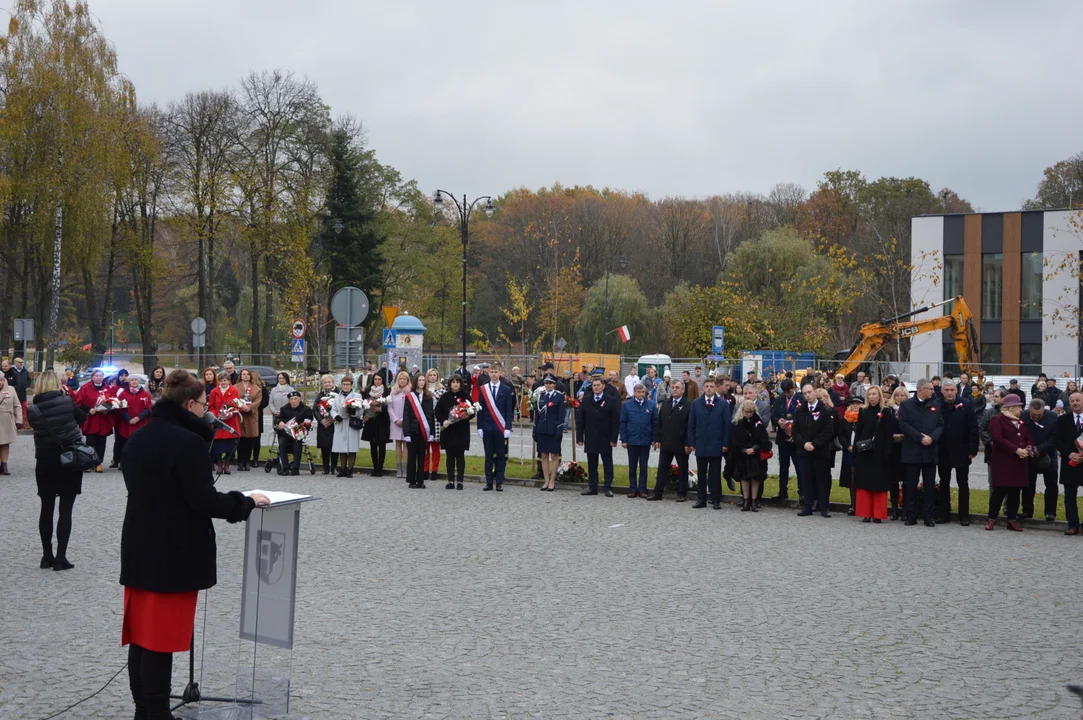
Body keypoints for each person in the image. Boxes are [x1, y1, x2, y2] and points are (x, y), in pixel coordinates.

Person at [118, 368, 269, 720]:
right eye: (203, 405)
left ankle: (144, 709)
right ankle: (157, 713)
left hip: (140, 547)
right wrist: (244, 503)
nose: (207, 411)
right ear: (189, 405)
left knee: (142, 639)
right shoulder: (188, 443)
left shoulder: (139, 438)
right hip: (174, 554)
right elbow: (202, 500)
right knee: (159, 641)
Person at [27, 371, 86, 571]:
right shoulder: (66, 401)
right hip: (68, 458)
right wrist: (65, 395)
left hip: (44, 460)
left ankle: (46, 556)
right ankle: (61, 557)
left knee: (46, 507)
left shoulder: (32, 408)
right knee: (66, 508)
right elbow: (82, 418)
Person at [897, 378, 944, 527]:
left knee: (929, 485)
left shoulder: (935, 405)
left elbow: (941, 425)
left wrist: (932, 437)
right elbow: (903, 424)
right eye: (930, 388)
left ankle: (928, 516)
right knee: (911, 484)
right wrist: (920, 437)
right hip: (913, 451)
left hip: (930, 451)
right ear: (921, 390)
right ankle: (911, 515)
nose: (933, 391)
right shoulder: (906, 405)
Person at [985, 394, 1031, 531]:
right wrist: (1016, 449)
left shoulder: (1021, 422)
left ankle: (1012, 519)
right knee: (999, 492)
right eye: (1019, 407)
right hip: (1004, 461)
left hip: (1019, 462)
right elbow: (997, 438)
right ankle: (991, 518)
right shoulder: (997, 420)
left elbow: (1028, 437)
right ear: (1010, 408)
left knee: (1015, 492)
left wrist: (1027, 448)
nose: (1021, 410)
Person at [936, 379, 978, 525]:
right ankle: (944, 514)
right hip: (942, 450)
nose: (949, 393)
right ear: (942, 391)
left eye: (951, 390)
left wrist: (973, 450)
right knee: (944, 483)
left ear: (956, 390)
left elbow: (973, 428)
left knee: (963, 483)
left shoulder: (966, 404)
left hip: (962, 450)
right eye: (946, 390)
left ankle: (964, 515)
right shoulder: (936, 405)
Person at [686, 377, 731, 510]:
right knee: (701, 473)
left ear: (715, 388)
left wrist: (725, 443)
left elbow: (727, 426)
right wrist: (692, 442)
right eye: (707, 386)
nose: (709, 389)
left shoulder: (722, 404)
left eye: (711, 386)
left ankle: (716, 499)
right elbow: (691, 425)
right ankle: (701, 499)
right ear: (703, 388)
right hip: (701, 443)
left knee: (715, 474)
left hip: (716, 444)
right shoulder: (696, 404)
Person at [793, 382, 835, 518]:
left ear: (815, 391)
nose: (807, 395)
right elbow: (795, 431)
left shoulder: (825, 410)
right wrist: (804, 443)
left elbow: (828, 431)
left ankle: (824, 507)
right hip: (804, 451)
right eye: (805, 393)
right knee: (806, 479)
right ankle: (807, 506)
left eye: (809, 392)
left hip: (820, 451)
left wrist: (815, 444)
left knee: (822, 480)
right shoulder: (800, 410)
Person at [852, 386, 892, 523]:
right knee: (864, 483)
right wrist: (856, 448)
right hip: (865, 451)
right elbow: (858, 430)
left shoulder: (886, 411)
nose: (872, 397)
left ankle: (878, 514)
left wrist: (887, 452)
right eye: (870, 394)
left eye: (875, 394)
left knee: (878, 483)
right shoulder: (863, 411)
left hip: (879, 452)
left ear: (880, 396)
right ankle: (866, 513)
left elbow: (888, 434)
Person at [577, 375, 621, 497]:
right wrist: (579, 437)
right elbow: (580, 420)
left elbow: (615, 421)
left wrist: (614, 439)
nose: (596, 387)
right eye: (594, 385)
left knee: (607, 463)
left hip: (605, 437)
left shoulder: (611, 400)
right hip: (591, 436)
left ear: (603, 386)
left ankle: (607, 487)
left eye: (598, 385)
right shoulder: (586, 400)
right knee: (592, 464)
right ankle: (593, 487)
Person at [649, 379, 691, 501]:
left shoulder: (688, 405)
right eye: (672, 387)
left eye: (677, 387)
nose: (674, 389)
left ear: (682, 390)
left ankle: (681, 493)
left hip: (681, 443)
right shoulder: (666, 403)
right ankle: (658, 492)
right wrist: (657, 439)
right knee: (662, 468)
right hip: (666, 441)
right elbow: (659, 423)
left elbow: (690, 426)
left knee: (683, 469)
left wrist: (688, 443)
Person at [478, 363, 515, 492]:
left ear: (500, 373)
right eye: (491, 372)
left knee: (500, 456)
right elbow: (480, 409)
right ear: (488, 373)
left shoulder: (506, 389)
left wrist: (508, 427)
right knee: (488, 456)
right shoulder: (483, 389)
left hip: (500, 427)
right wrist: (479, 427)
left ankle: (499, 482)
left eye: (496, 372)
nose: (493, 374)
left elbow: (508, 410)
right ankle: (488, 482)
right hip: (487, 427)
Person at [1021, 398, 1058, 521]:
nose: (1036, 417)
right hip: (1029, 453)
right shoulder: (1023, 415)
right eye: (1033, 415)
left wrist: (1040, 449)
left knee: (1051, 484)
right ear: (1029, 410)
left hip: (1048, 453)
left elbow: (1055, 437)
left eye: (1039, 415)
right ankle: (1027, 510)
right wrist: (1029, 448)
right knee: (1028, 483)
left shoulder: (1053, 417)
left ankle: (1050, 512)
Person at [730, 399, 771, 512]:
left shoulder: (759, 423)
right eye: (746, 412)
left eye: (751, 412)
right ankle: (746, 500)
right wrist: (744, 450)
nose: (748, 414)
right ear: (742, 411)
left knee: (755, 478)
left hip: (755, 455)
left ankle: (754, 500)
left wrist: (755, 448)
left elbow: (764, 440)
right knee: (744, 478)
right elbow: (734, 441)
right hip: (742, 455)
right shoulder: (737, 424)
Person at [620, 383, 657, 498]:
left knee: (644, 466)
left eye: (643, 392)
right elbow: (623, 423)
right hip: (632, 440)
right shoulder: (627, 405)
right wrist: (624, 439)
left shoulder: (651, 405)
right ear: (634, 393)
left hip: (645, 440)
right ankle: (632, 488)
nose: (641, 394)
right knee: (632, 466)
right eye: (639, 392)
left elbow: (655, 423)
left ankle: (642, 489)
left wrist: (654, 439)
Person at [74, 368, 115, 473]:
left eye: (101, 375)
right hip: (91, 419)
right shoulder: (85, 388)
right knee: (90, 442)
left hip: (102, 419)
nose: (98, 377)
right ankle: (88, 462)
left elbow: (113, 402)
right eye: (96, 375)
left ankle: (98, 463)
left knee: (101, 442)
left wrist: (107, 409)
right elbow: (79, 403)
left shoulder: (108, 388)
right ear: (92, 377)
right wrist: (89, 409)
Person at [436, 373, 472, 490]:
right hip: (448, 430)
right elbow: (437, 411)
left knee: (460, 456)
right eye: (453, 382)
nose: (455, 385)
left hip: (461, 430)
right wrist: (444, 420)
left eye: (457, 382)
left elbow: (473, 410)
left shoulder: (466, 396)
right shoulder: (445, 396)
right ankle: (450, 480)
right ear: (450, 384)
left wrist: (467, 415)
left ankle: (460, 480)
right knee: (449, 456)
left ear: (461, 384)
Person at [530, 374, 565, 491]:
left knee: (554, 456)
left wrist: (559, 431)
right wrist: (535, 429)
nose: (548, 385)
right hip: (542, 429)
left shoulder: (559, 397)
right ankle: (545, 481)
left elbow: (561, 416)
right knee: (544, 455)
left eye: (550, 383)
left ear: (554, 385)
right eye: (546, 383)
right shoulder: (541, 396)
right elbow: (537, 416)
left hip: (553, 430)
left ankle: (552, 481)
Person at [1056, 391, 1083, 535]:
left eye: (1078, 400)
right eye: (1072, 401)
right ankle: (1072, 525)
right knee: (1069, 497)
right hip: (1070, 462)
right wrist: (1069, 453)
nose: (1075, 403)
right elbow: (1058, 440)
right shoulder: (1062, 420)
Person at [402, 372, 435, 489]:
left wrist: (431, 432)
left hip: (423, 432)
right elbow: (406, 416)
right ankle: (411, 480)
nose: (421, 382)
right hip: (412, 431)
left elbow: (431, 416)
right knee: (412, 457)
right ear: (416, 382)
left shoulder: (428, 396)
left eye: (423, 380)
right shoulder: (410, 396)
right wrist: (406, 433)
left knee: (422, 456)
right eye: (420, 380)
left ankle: (421, 480)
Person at [771, 378, 802, 501]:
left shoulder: (801, 399)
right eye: (784, 392)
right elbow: (773, 415)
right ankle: (782, 491)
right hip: (783, 438)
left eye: (788, 392)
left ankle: (802, 492)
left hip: (796, 439)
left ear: (793, 389)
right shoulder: (779, 400)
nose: (786, 395)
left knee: (799, 466)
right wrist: (778, 421)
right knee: (783, 466)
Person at [114, 375, 153, 470]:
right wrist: (128, 419)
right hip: (127, 424)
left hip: (141, 423)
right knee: (126, 445)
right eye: (132, 380)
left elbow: (148, 408)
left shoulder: (145, 394)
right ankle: (124, 463)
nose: (134, 382)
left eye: (136, 380)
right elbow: (121, 409)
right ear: (129, 382)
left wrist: (138, 418)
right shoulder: (123, 394)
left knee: (139, 445)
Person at [207, 370, 241, 475]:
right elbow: (211, 405)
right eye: (221, 381)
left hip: (230, 421)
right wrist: (215, 414)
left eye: (225, 381)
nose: (223, 383)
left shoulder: (234, 391)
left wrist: (230, 413)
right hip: (218, 421)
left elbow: (237, 404)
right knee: (217, 445)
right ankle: (219, 464)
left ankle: (227, 464)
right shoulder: (214, 392)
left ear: (229, 381)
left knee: (230, 444)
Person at [331, 376, 362, 478]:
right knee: (341, 447)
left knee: (352, 447)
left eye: (347, 384)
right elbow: (333, 409)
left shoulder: (357, 396)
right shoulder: (337, 396)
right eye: (344, 384)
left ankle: (350, 469)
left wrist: (354, 411)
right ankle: (343, 469)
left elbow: (361, 410)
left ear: (351, 385)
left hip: (351, 422)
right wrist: (336, 416)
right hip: (340, 422)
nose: (345, 386)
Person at [837, 396, 863, 515]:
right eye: (853, 403)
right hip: (848, 451)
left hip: (861, 451)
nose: (856, 405)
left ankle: (861, 505)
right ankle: (853, 505)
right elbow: (841, 435)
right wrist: (848, 446)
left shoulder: (864, 417)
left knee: (860, 477)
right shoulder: (845, 419)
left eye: (858, 403)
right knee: (851, 479)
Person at [275, 391, 312, 476]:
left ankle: (295, 468)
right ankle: (285, 468)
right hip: (286, 434)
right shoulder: (284, 409)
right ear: (289, 401)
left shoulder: (306, 409)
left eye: (295, 399)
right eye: (291, 399)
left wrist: (301, 429)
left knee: (297, 444)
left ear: (300, 399)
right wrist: (280, 421)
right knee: (282, 443)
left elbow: (308, 422)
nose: (293, 401)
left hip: (298, 434)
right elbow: (277, 419)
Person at [233, 369, 263, 472]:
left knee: (249, 440)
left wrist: (249, 408)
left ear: (250, 376)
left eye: (247, 374)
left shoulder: (256, 388)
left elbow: (258, 400)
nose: (245, 376)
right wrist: (241, 407)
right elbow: (233, 400)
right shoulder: (235, 387)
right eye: (243, 374)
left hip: (251, 416)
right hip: (240, 416)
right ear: (240, 376)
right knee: (240, 440)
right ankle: (240, 461)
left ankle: (247, 461)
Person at [362, 373, 391, 476]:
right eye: (375, 379)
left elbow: (390, 408)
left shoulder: (387, 392)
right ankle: (375, 467)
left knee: (382, 445)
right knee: (372, 445)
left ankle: (381, 468)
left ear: (382, 380)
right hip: (371, 421)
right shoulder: (367, 391)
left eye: (379, 379)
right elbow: (363, 404)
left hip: (382, 421)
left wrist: (381, 409)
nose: (377, 381)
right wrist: (365, 414)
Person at [313, 374, 339, 475]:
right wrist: (321, 420)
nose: (327, 384)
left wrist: (332, 419)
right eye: (325, 382)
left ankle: (334, 467)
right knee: (324, 446)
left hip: (334, 424)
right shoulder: (320, 395)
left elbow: (341, 407)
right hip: (323, 424)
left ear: (333, 382)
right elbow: (315, 409)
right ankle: (325, 468)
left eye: (329, 382)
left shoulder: (338, 393)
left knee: (334, 446)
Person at [388, 371, 412, 480]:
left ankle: (406, 468)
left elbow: (411, 408)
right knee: (398, 443)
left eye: (404, 379)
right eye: (400, 379)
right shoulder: (393, 391)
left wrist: (404, 419)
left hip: (406, 421)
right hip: (396, 422)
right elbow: (390, 407)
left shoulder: (410, 392)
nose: (402, 381)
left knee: (406, 444)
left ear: (407, 380)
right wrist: (395, 419)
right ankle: (398, 467)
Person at [424, 368, 445, 484]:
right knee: (425, 448)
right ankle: (425, 470)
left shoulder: (442, 390)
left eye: (434, 375)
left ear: (437, 377)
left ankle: (435, 470)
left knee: (436, 448)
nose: (432, 377)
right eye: (430, 375)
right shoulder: (423, 389)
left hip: (437, 421)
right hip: (426, 420)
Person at [10, 356, 30, 427]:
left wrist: (26, 385)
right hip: (14, 393)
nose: (21, 364)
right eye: (20, 363)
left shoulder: (25, 371)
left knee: (24, 407)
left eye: (22, 362)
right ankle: (14, 423)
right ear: (15, 363)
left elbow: (28, 380)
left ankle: (24, 423)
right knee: (14, 408)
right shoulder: (11, 371)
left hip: (23, 393)